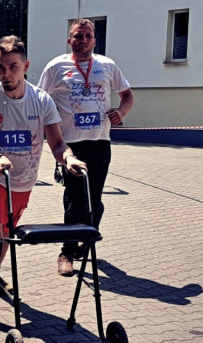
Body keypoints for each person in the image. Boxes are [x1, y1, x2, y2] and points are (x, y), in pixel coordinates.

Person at [0, 36, 87, 329]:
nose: (5, 74)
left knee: (7, 233)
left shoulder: (41, 100)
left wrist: (68, 158)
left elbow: (57, 143)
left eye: (12, 67)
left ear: (26, 66)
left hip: (23, 183)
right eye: (0, 67)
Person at [37, 18, 134, 276]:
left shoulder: (107, 65)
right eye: (77, 36)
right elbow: (40, 100)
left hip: (100, 141)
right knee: (74, 199)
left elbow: (127, 95)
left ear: (94, 40)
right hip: (70, 146)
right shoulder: (56, 67)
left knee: (96, 200)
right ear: (70, 40)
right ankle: (66, 253)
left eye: (87, 36)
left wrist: (121, 112)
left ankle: (85, 240)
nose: (83, 40)